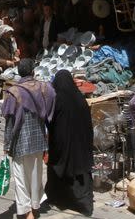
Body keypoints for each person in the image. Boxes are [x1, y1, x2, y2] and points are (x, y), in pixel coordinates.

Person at [2, 59, 55, 219]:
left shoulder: (14, 92)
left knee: (20, 179)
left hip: (20, 142)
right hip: (38, 140)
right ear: (33, 72)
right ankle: (35, 206)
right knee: (35, 175)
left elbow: (10, 123)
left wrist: (7, 144)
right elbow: (52, 99)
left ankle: (27, 212)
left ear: (19, 72)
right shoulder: (44, 88)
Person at [46, 70, 94, 216]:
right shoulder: (80, 98)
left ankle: (58, 198)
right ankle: (83, 204)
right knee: (80, 169)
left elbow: (50, 121)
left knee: (60, 167)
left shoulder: (57, 98)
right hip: (81, 144)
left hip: (63, 144)